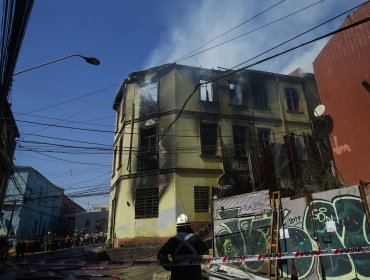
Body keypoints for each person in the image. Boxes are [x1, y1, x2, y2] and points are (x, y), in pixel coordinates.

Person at [157, 214, 208, 280]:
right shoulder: (196, 238)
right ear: (188, 226)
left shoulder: (172, 241)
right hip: (194, 274)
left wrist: (169, 266)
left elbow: (161, 255)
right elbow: (205, 251)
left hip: (178, 274)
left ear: (177, 227)